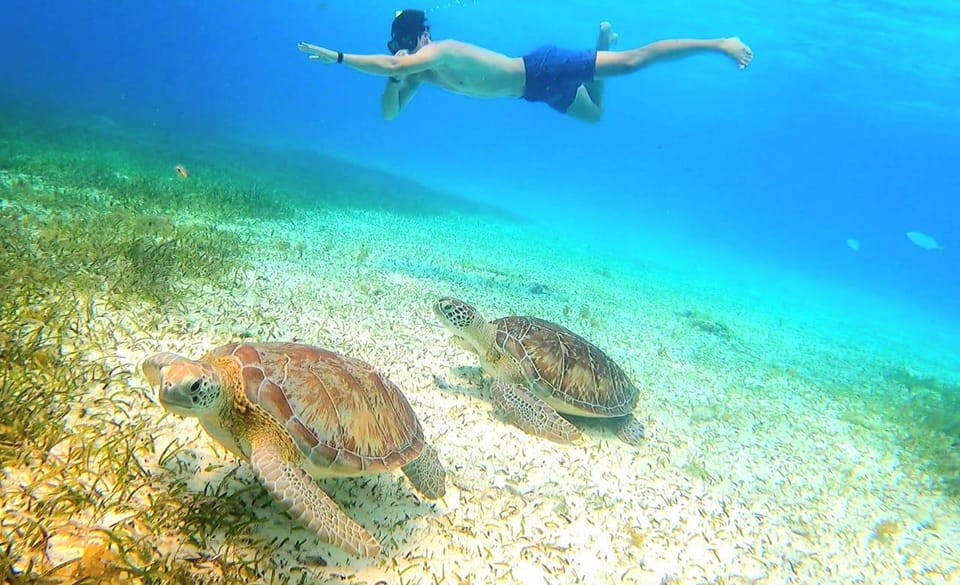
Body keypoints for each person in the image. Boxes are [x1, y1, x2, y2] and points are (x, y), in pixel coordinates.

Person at [298, 9, 753, 123]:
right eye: (394, 43)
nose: (400, 49)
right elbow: (389, 114)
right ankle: (600, 43)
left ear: (422, 37)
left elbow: (378, 64)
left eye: (404, 42)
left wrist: (339, 58)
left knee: (631, 64)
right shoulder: (419, 72)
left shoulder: (440, 51)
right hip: (534, 92)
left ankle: (718, 42)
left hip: (541, 68)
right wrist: (397, 77)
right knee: (594, 116)